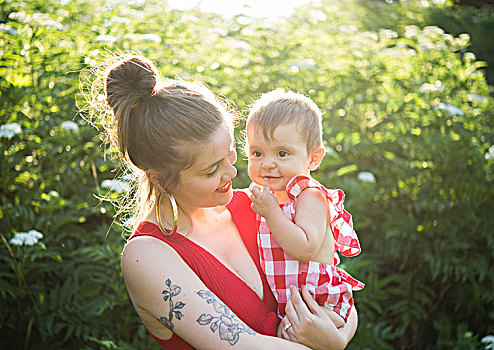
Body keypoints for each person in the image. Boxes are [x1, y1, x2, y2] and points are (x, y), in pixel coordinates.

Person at [87, 53, 358, 349]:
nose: (232, 171)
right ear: (159, 178)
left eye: (229, 153)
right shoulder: (147, 255)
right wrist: (331, 345)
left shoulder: (256, 208)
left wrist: (338, 336)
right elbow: (243, 345)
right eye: (211, 170)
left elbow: (332, 286)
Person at [246, 89, 364, 332]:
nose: (267, 163)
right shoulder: (270, 199)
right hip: (294, 305)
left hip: (321, 304)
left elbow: (305, 248)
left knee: (288, 333)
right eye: (257, 153)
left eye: (282, 153)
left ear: (313, 158)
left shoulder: (309, 196)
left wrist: (270, 212)